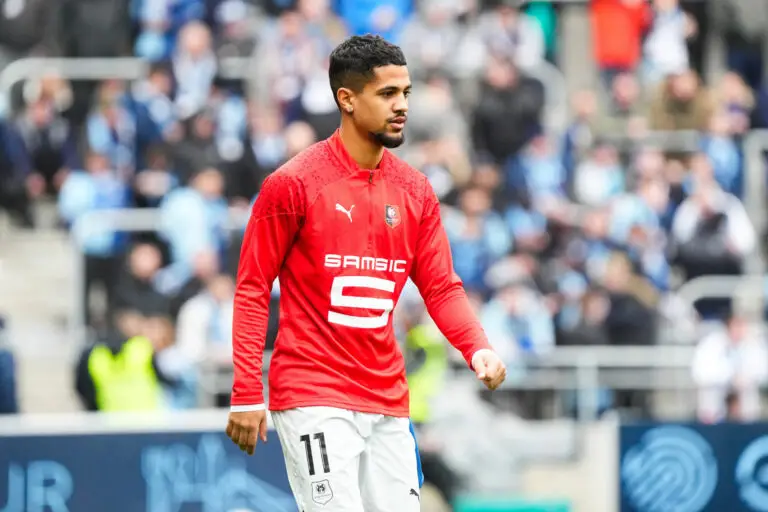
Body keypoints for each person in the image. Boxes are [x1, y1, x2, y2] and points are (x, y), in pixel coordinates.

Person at [225, 34, 507, 512]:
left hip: (387, 399)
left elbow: (441, 286)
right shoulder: (292, 185)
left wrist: (476, 347)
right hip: (313, 394)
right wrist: (247, 391)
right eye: (387, 93)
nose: (402, 106)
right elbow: (253, 288)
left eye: (406, 93)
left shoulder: (416, 190)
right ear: (347, 99)